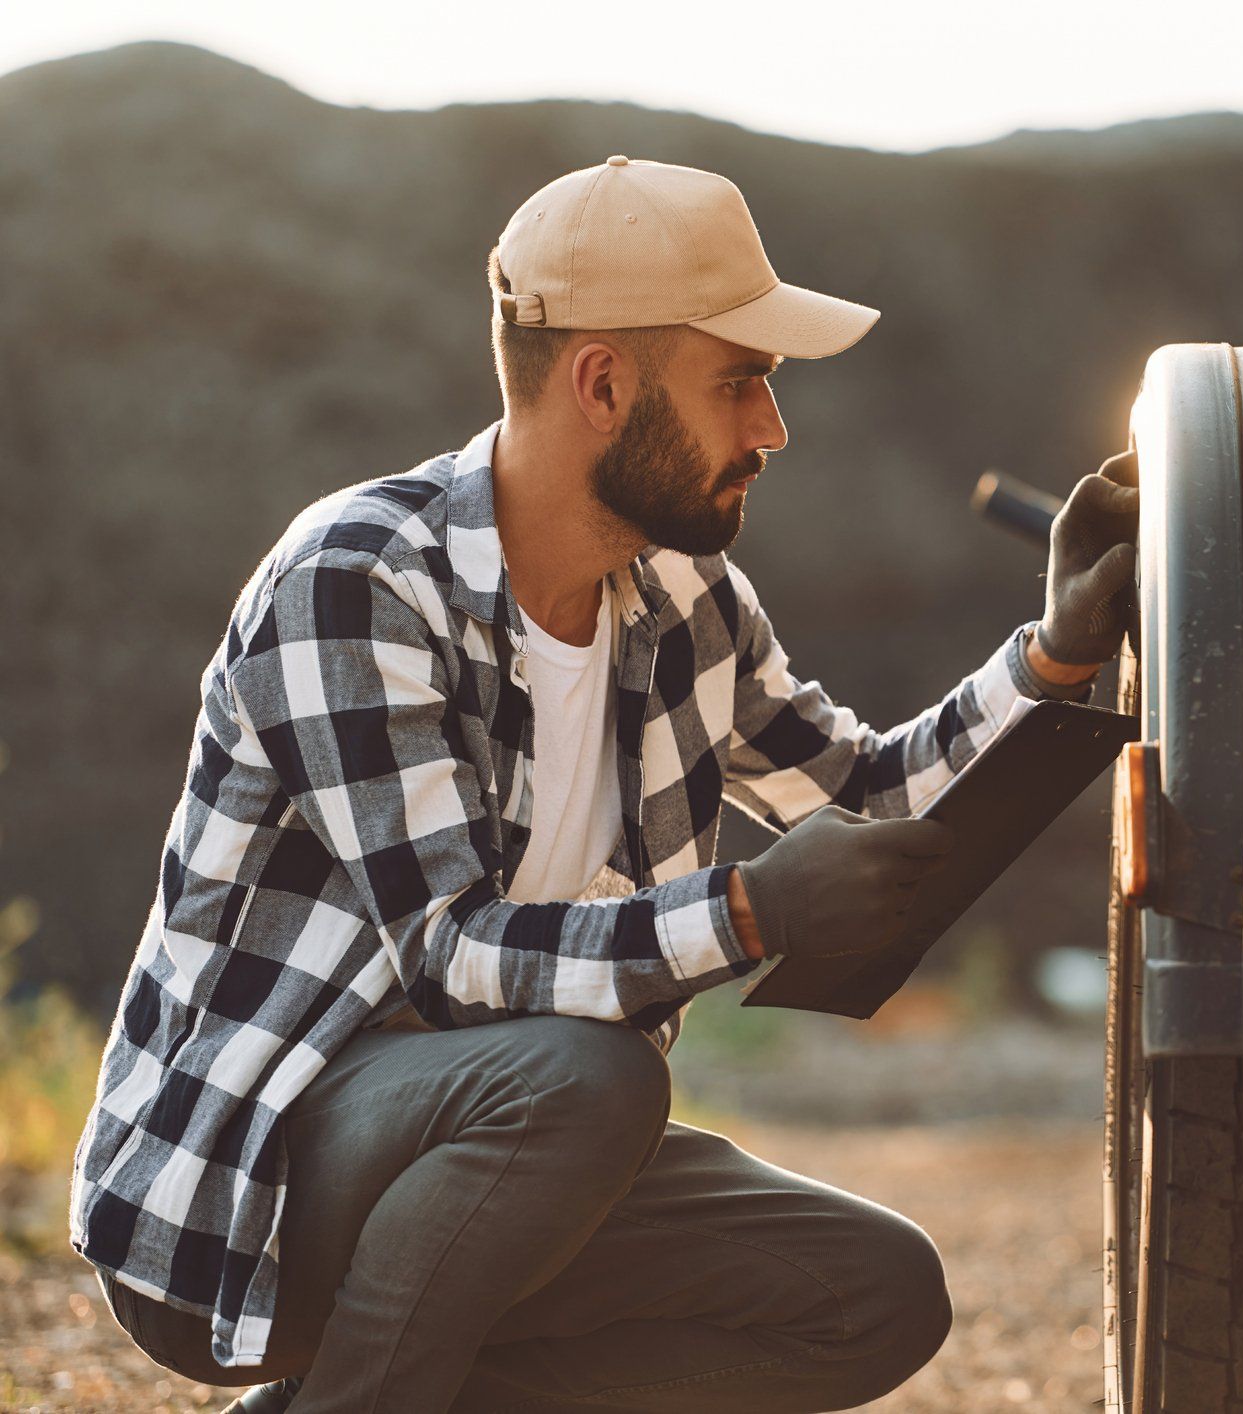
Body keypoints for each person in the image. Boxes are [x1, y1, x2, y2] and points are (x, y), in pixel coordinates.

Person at [68, 156, 1140, 1413]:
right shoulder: (357, 582)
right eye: (741, 384)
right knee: (590, 1077)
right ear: (602, 382)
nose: (770, 431)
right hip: (251, 1199)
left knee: (873, 1291)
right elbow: (452, 950)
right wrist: (748, 914)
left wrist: (1055, 654)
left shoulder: (687, 599)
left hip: (516, 1163)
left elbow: (867, 796)